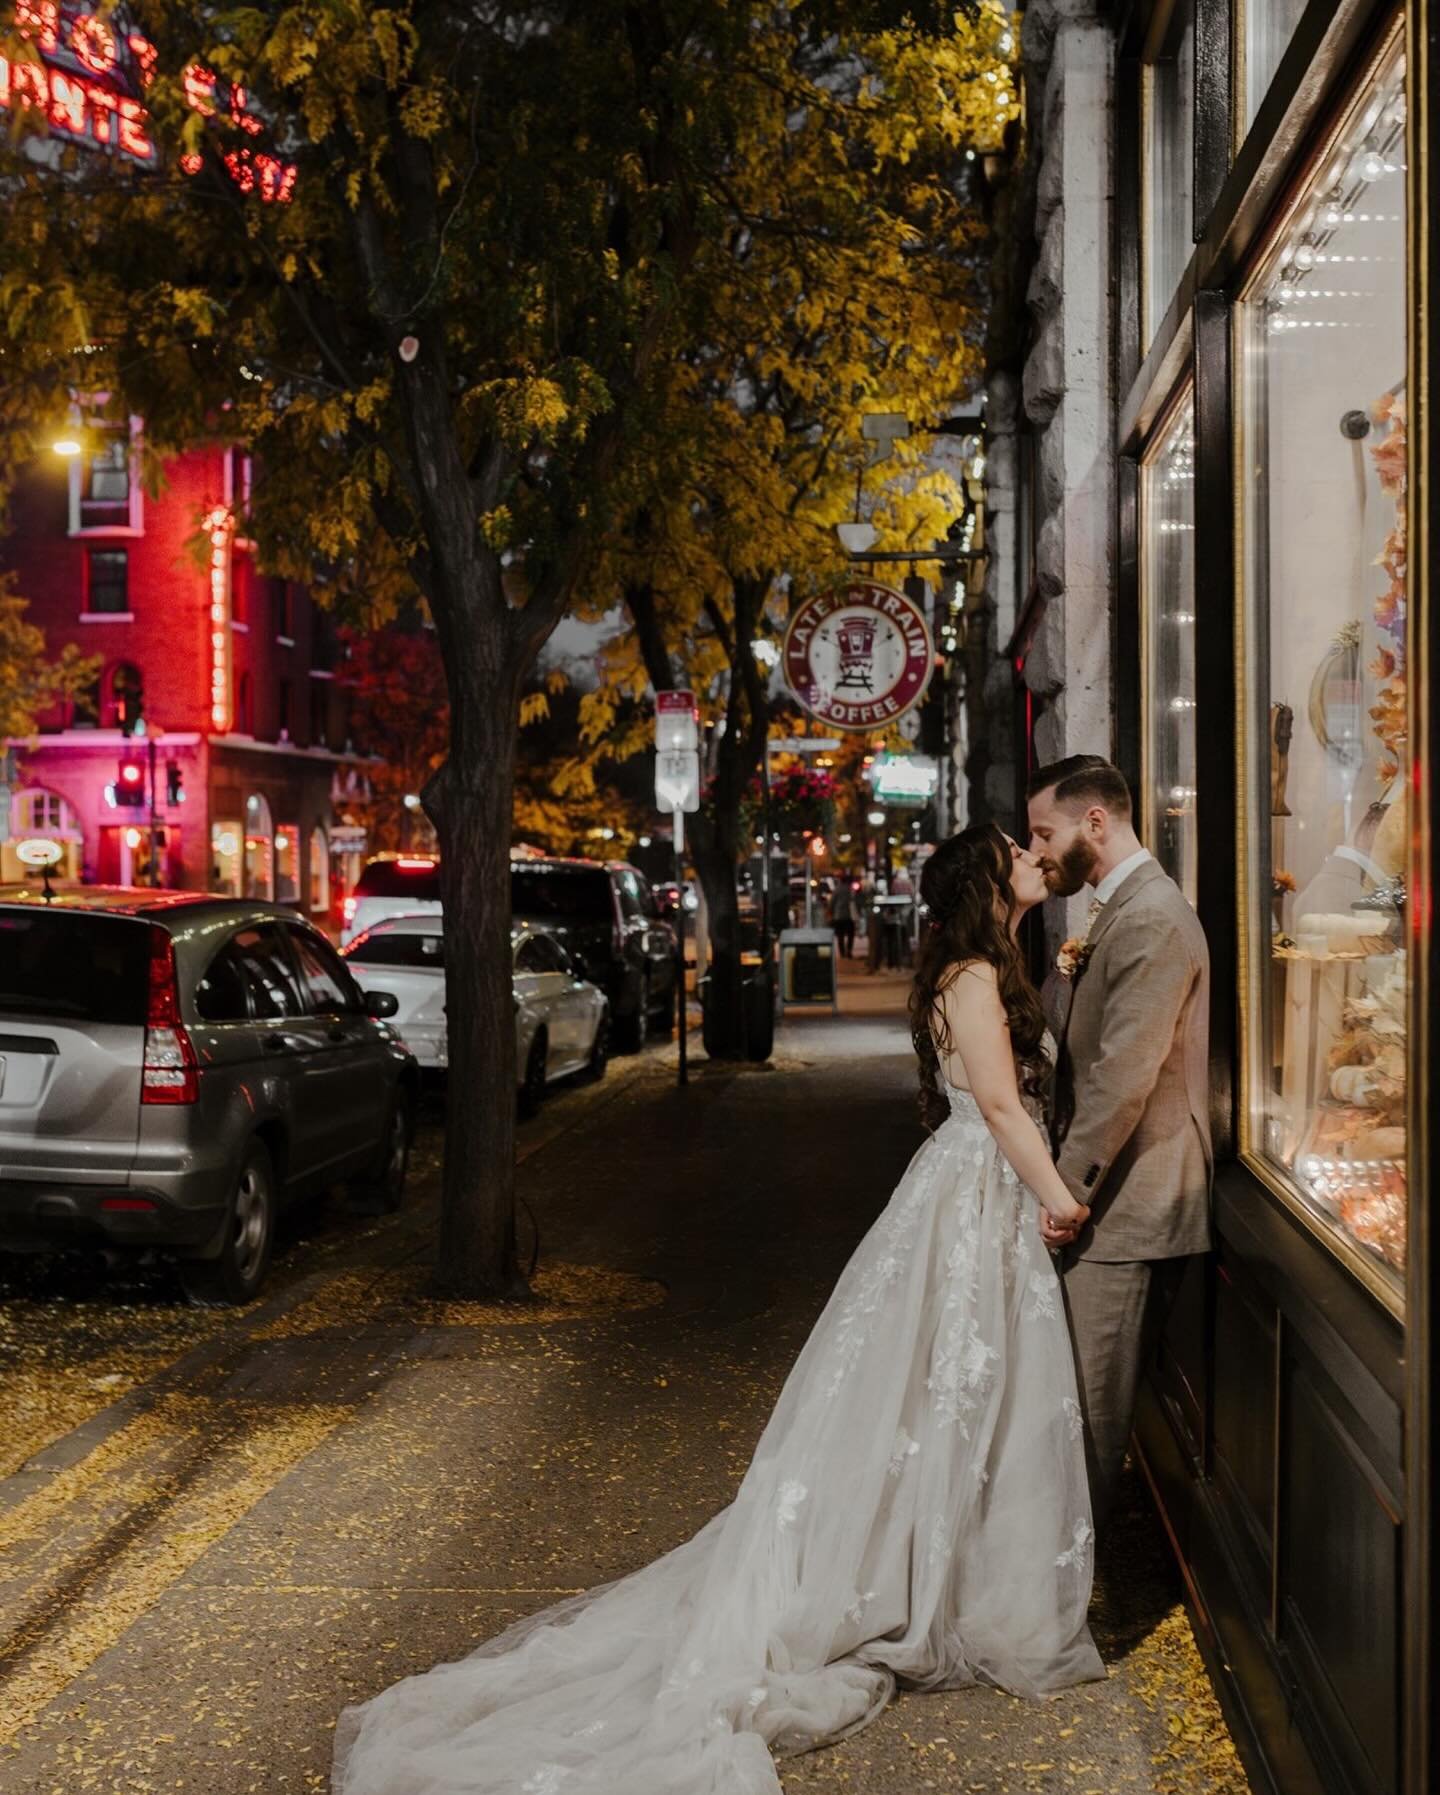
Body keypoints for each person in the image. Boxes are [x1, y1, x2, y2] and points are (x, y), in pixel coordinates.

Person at [333, 824, 1103, 1795]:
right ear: (987, 881)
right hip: (980, 1188)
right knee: (940, 1389)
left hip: (969, 1191)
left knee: (944, 1396)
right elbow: (997, 1105)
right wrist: (1058, 1196)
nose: (1032, 853)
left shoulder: (982, 968)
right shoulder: (975, 980)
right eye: (1014, 849)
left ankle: (944, 1570)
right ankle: (928, 1581)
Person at [1026, 755, 1213, 1529]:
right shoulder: (1118, 906)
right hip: (1107, 1205)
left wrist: (1064, 1192)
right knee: (1073, 1405)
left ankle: (1074, 1609)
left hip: (1125, 1208)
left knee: (1090, 1418)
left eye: (1045, 831)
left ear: (1094, 822)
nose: (1037, 849)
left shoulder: (1152, 917)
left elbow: (1121, 1079)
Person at [830, 877, 856, 958]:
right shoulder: (850, 889)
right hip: (849, 916)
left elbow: (832, 902)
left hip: (839, 915)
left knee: (840, 935)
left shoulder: (837, 890)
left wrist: (831, 911)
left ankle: (842, 952)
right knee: (850, 934)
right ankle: (849, 950)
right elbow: (854, 901)